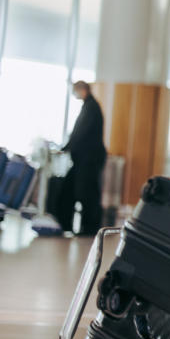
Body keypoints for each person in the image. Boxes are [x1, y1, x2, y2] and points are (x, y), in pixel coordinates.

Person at [61, 81, 107, 236]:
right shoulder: (89, 106)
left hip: (89, 159)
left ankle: (89, 229)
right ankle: (75, 226)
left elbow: (81, 131)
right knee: (76, 190)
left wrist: (67, 147)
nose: (75, 94)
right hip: (85, 159)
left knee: (87, 193)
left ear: (83, 90)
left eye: (76, 91)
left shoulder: (91, 107)